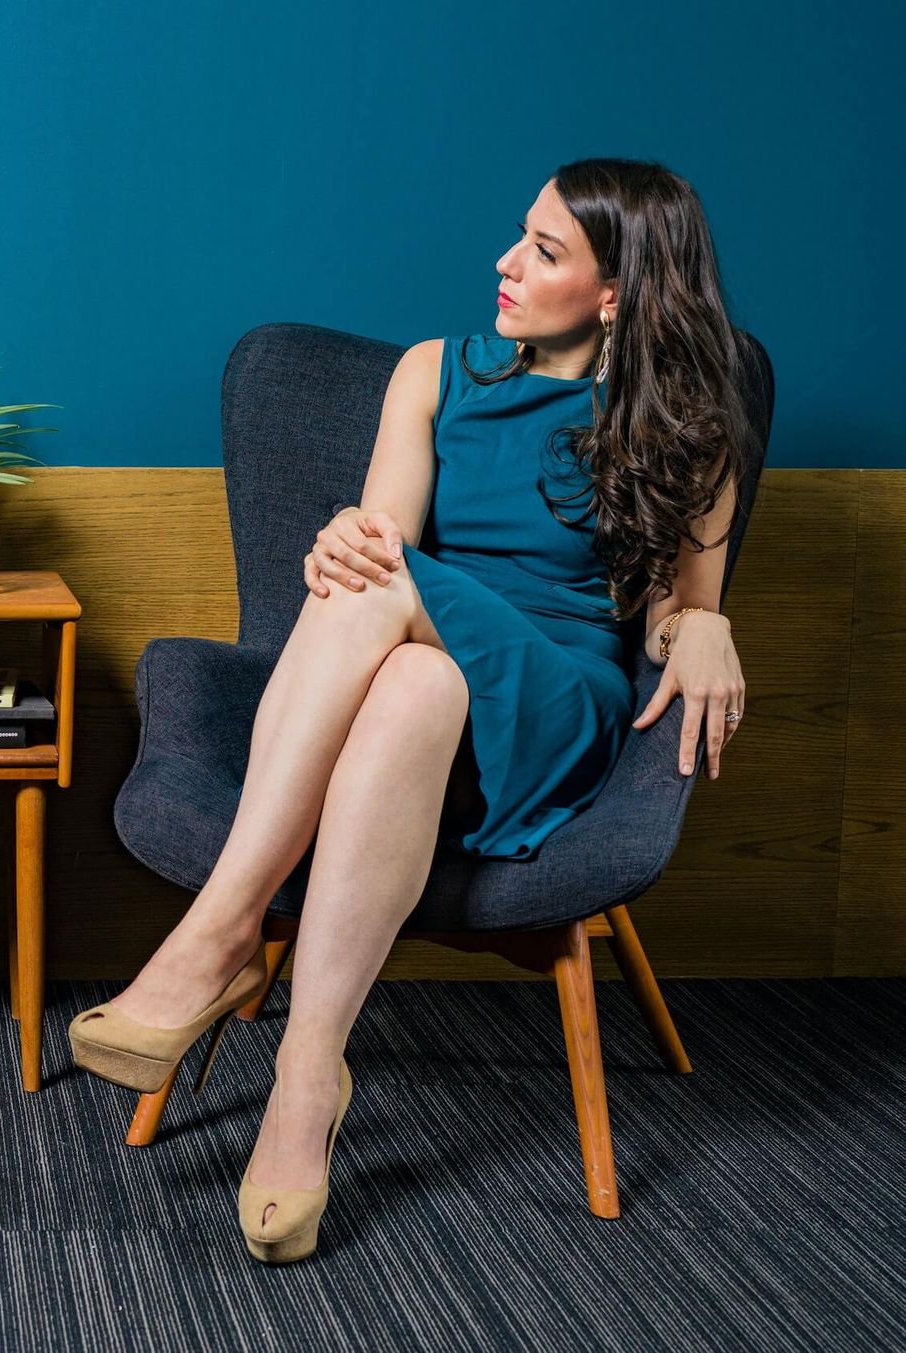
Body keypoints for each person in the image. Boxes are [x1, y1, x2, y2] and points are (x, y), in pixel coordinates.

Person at [68, 158, 753, 1264]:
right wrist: (340, 538)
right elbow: (375, 542)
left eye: (541, 250)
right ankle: (305, 1082)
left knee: (384, 590)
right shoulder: (433, 373)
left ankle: (219, 928)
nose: (503, 262)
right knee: (407, 660)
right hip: (428, 685)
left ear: (617, 291)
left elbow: (674, 614)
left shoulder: (688, 426)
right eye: (516, 235)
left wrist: (702, 625)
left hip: (556, 697)